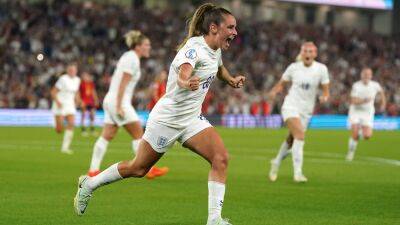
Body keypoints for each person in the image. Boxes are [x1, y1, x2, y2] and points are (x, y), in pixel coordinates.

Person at [74, 3, 245, 225]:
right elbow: (183, 73)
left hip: (192, 118)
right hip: (168, 119)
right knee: (139, 168)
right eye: (231, 27)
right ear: (214, 28)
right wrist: (186, 82)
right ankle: (89, 184)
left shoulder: (216, 49)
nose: (235, 32)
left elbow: (219, 68)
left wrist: (230, 80)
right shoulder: (193, 50)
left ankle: (214, 220)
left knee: (221, 158)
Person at [86, 30, 169, 179]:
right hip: (119, 102)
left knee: (107, 135)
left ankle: (93, 170)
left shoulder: (128, 57)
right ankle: (148, 170)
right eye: (146, 45)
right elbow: (123, 83)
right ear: (137, 46)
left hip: (111, 100)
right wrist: (118, 105)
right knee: (139, 134)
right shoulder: (132, 59)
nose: (149, 47)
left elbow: (119, 81)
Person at [268, 42, 330, 183]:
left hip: (306, 111)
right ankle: (298, 173)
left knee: (291, 139)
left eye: (310, 51)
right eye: (305, 51)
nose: (308, 54)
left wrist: (325, 97)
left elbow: (326, 89)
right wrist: (274, 91)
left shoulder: (321, 69)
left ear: (315, 54)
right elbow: (281, 84)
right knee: (300, 136)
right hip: (291, 106)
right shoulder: (293, 68)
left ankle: (276, 162)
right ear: (301, 53)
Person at [345, 68, 386, 161]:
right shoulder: (356, 86)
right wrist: (364, 100)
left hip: (368, 113)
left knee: (367, 136)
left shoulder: (375, 85)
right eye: (365, 74)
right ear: (361, 75)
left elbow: (382, 93)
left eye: (368, 74)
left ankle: (360, 133)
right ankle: (351, 152)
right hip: (355, 112)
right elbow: (353, 101)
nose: (366, 76)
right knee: (354, 134)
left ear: (371, 76)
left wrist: (383, 103)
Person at [51, 63, 81, 154]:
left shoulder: (77, 80)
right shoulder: (63, 79)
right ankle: (56, 124)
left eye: (74, 70)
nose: (72, 72)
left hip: (70, 105)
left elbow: (76, 92)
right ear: (68, 71)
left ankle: (65, 148)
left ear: (76, 71)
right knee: (59, 130)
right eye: (70, 70)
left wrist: (78, 100)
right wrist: (57, 101)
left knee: (71, 123)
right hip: (60, 104)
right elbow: (53, 92)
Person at [79, 72, 99, 137]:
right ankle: (83, 130)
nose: (86, 77)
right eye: (84, 76)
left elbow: (93, 92)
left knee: (92, 115)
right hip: (84, 101)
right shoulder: (81, 84)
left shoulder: (91, 84)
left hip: (90, 101)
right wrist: (80, 101)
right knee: (83, 115)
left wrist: (96, 100)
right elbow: (78, 93)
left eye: (86, 76)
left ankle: (92, 130)